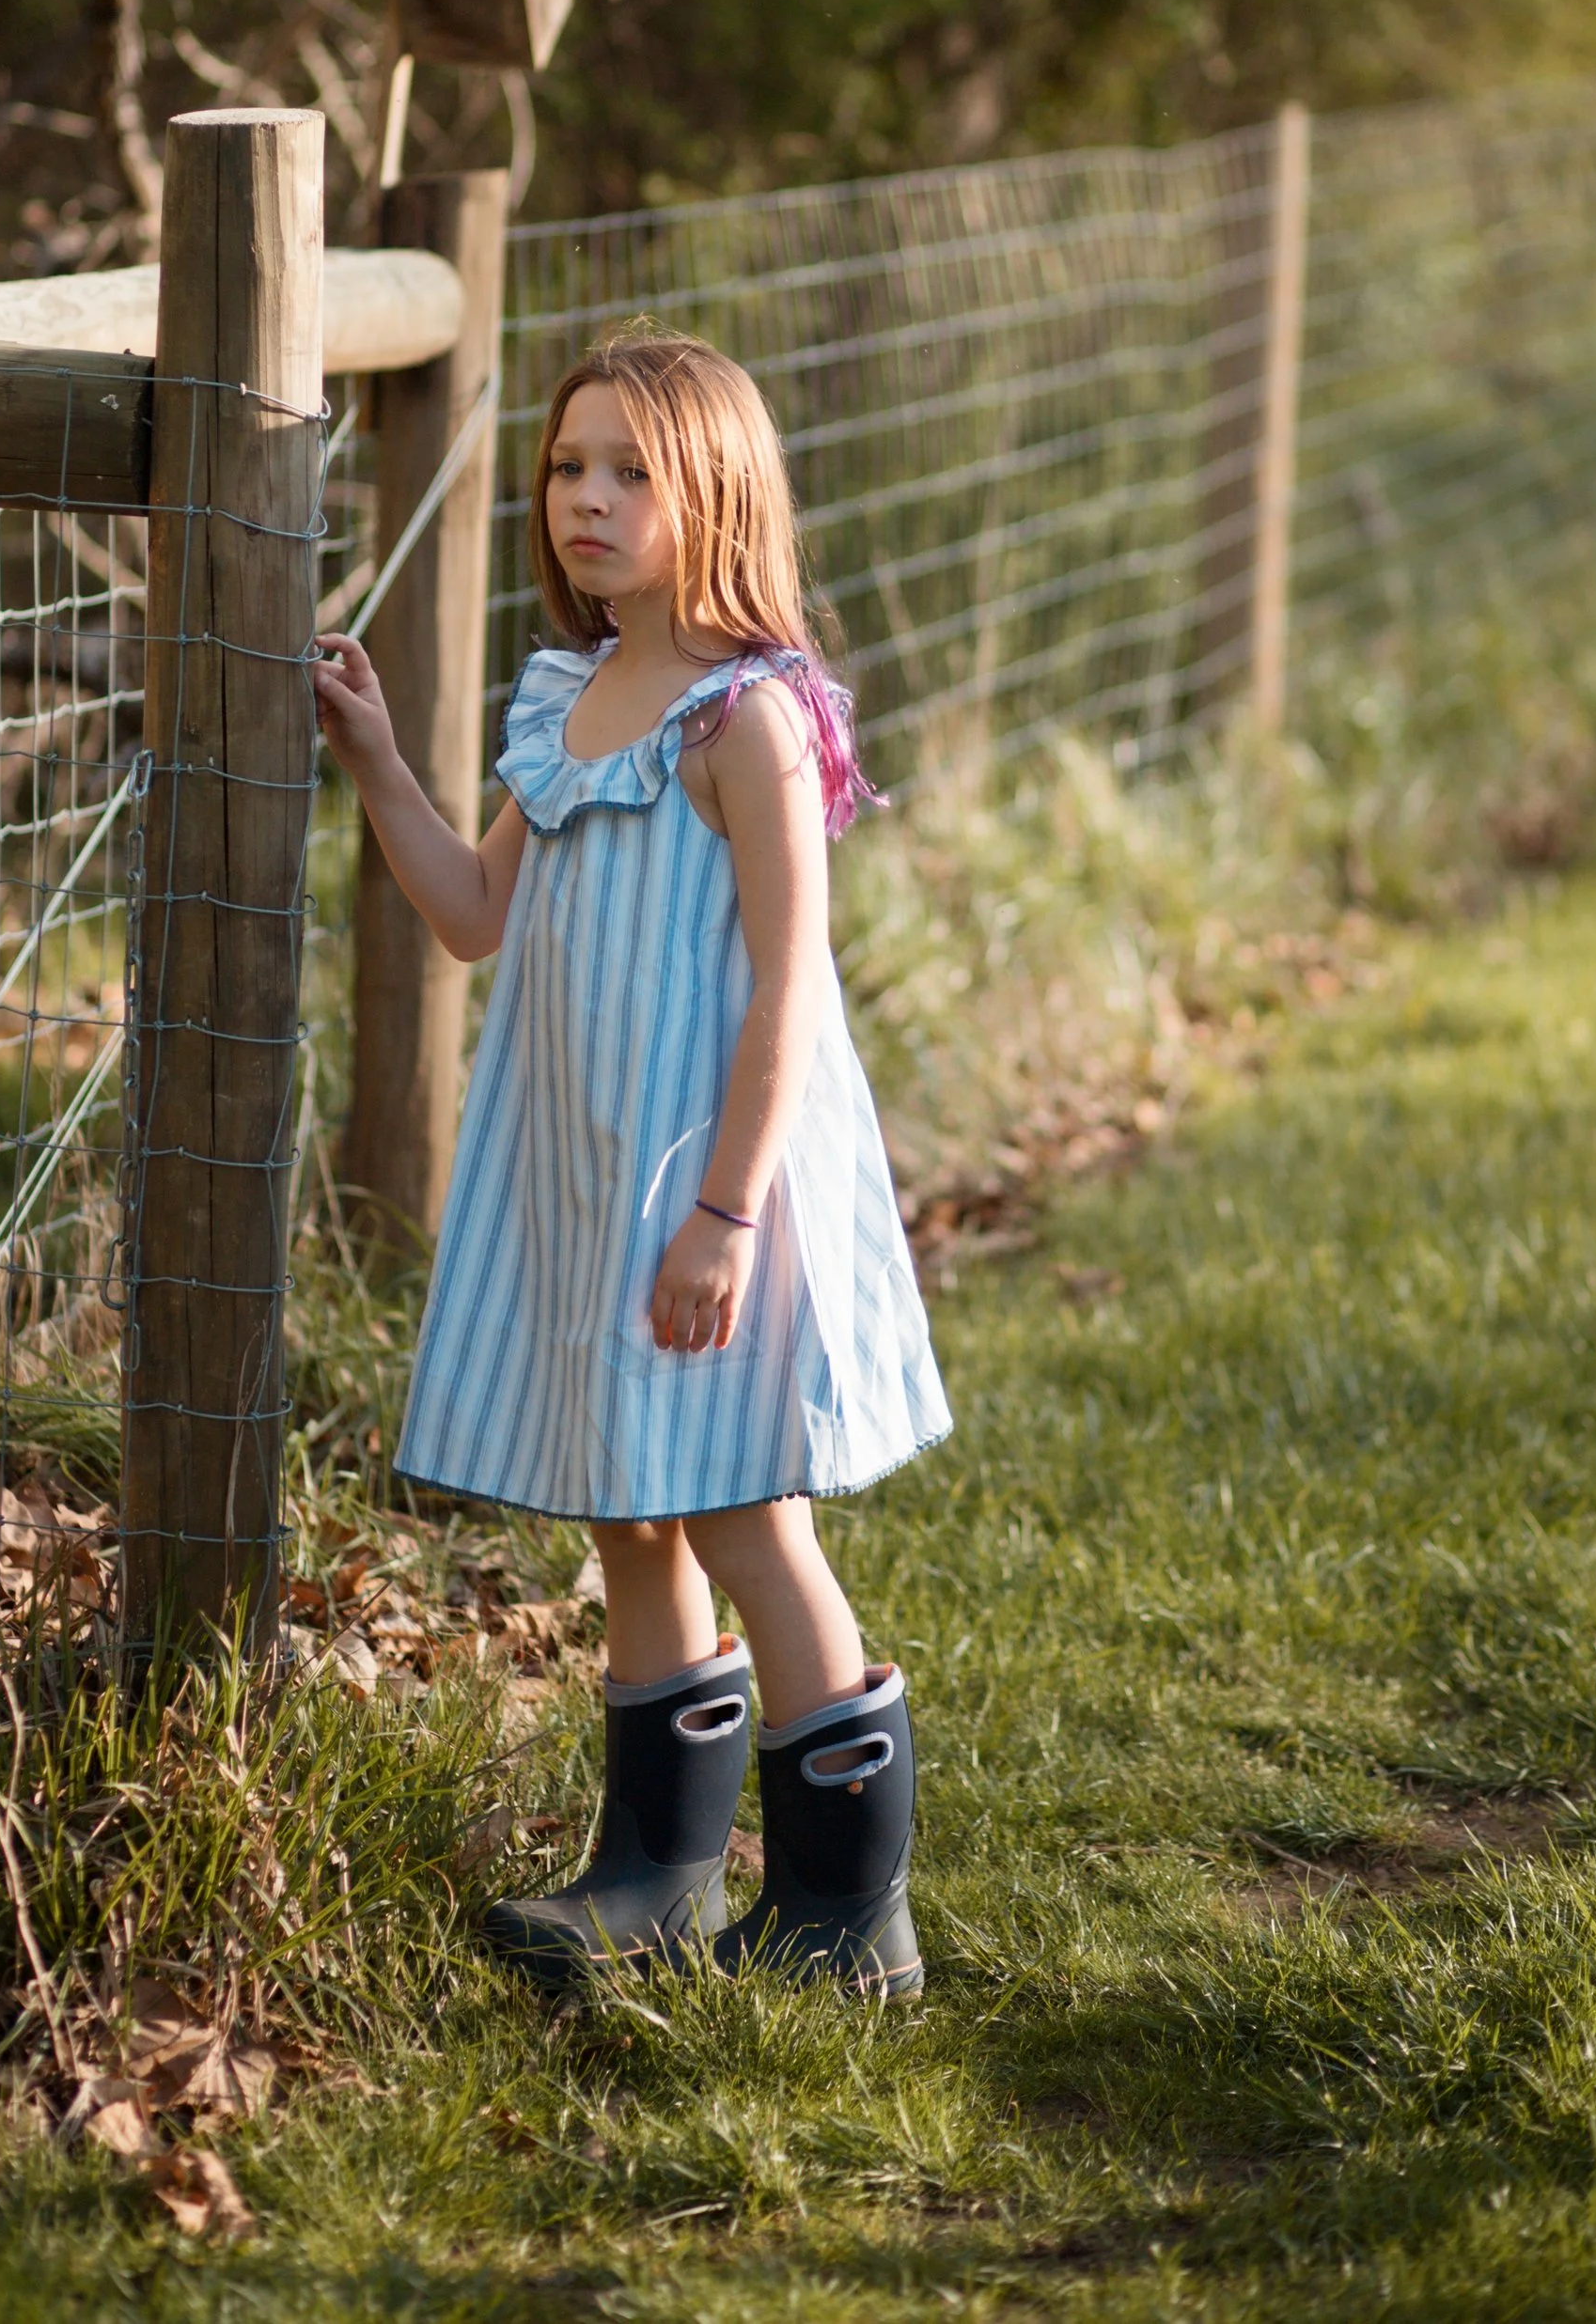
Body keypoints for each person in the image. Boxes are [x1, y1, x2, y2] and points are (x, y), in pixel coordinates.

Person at [313, 328, 950, 1999]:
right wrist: (380, 758)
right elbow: (470, 914)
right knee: (631, 1514)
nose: (585, 500)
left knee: (744, 1506)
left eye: (629, 472)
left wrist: (729, 1211)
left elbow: (792, 987)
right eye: (566, 467)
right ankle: (656, 1872)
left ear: (714, 492)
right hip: (590, 1174)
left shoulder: (753, 723)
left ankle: (845, 1918)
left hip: (711, 1183)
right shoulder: (574, 693)